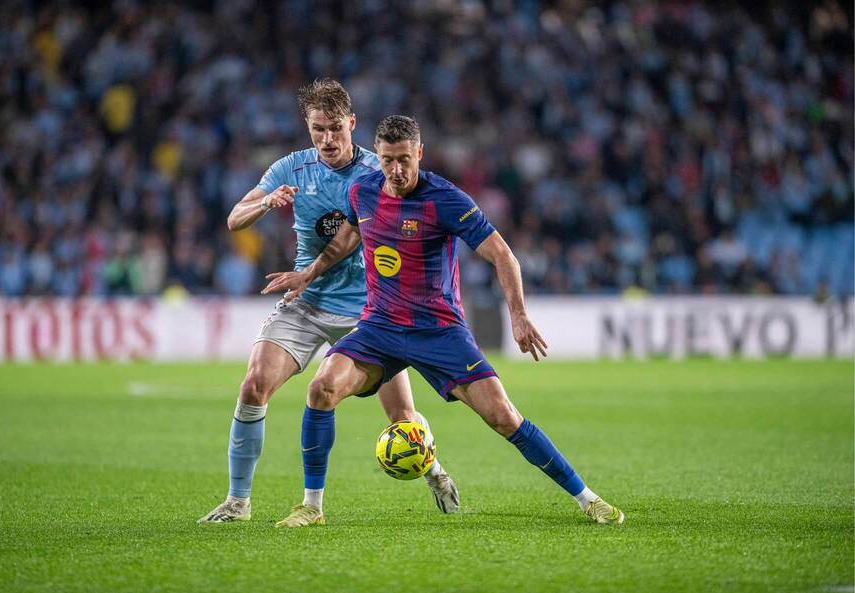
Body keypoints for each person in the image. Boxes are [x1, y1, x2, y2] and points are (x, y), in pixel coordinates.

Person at [266, 115, 623, 528]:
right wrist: (308, 273)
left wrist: (519, 316)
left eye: (404, 159)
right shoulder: (362, 189)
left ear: (419, 153)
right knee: (322, 387)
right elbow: (349, 234)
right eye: (386, 161)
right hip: (380, 326)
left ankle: (588, 499)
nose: (396, 171)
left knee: (504, 417)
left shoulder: (445, 199)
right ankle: (312, 506)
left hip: (439, 331)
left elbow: (502, 254)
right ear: (376, 157)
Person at [197, 83, 459, 524]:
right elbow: (234, 218)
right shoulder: (290, 168)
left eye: (336, 128)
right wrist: (266, 202)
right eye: (318, 129)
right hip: (307, 301)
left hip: (371, 310)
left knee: (402, 418)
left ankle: (433, 470)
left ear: (352, 124)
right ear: (308, 127)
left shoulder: (381, 171)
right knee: (252, 386)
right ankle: (238, 502)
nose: (327, 139)